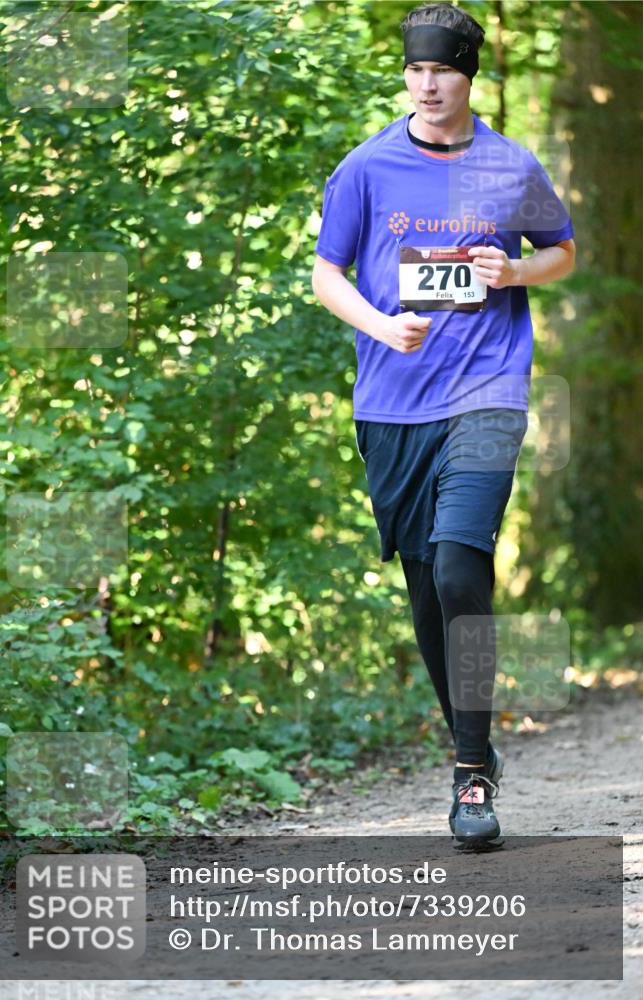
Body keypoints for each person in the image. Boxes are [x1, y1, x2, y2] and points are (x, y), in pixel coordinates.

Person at [311, 2, 575, 848]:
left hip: (487, 389)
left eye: (443, 71)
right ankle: (475, 744)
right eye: (415, 71)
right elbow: (327, 273)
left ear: (469, 75)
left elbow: (561, 251)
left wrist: (514, 269)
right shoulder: (367, 167)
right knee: (427, 587)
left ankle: (468, 773)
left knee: (462, 565)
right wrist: (380, 325)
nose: (427, 86)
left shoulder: (507, 165)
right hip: (391, 400)